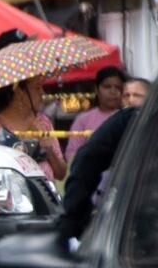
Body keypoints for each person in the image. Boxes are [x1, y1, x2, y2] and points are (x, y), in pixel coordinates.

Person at [58, 103, 138, 241]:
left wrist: (72, 221)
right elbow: (87, 159)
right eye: (127, 94)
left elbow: (87, 160)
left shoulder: (135, 119)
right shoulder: (133, 119)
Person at [0, 76, 67, 180]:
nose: (42, 93)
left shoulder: (43, 122)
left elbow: (61, 174)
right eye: (37, 88)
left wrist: (49, 149)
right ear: (19, 92)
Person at [66, 66, 125, 162]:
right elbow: (72, 154)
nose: (113, 92)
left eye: (118, 88)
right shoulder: (83, 120)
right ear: (96, 89)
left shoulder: (128, 118)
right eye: (107, 87)